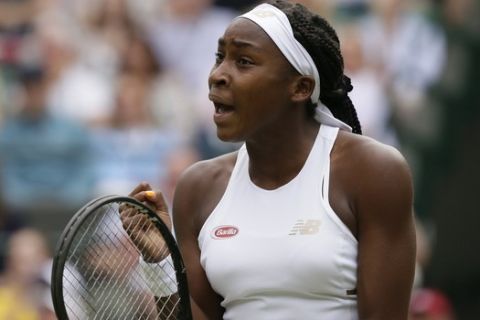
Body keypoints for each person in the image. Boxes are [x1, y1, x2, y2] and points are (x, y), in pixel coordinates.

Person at [123, 1, 416, 319]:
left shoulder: (373, 172)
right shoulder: (197, 188)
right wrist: (161, 262)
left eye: (244, 61)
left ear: (300, 87)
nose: (218, 75)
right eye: (220, 57)